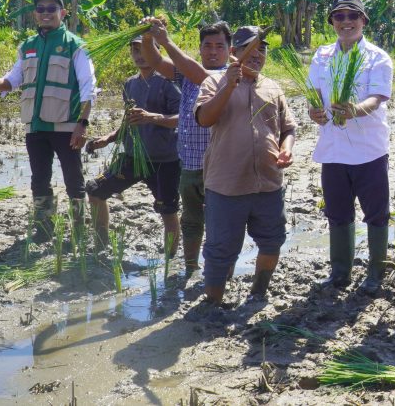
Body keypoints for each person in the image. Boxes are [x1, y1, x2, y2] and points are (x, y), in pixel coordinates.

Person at [195, 26, 296, 304]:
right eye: (249, 49)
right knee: (220, 250)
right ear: (233, 52)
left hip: (268, 183)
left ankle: (258, 293)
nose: (256, 55)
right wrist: (229, 85)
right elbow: (204, 119)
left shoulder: (273, 87)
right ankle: (213, 303)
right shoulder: (214, 82)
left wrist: (286, 149)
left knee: (272, 241)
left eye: (261, 50)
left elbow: (288, 128)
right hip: (226, 185)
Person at [308, 0, 393, 295]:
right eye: (339, 16)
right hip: (333, 151)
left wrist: (356, 109)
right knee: (338, 213)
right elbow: (314, 97)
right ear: (332, 21)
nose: (346, 22)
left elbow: (377, 97)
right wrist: (315, 112)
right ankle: (340, 273)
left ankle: (375, 274)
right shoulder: (321, 56)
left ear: (363, 20)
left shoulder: (377, 57)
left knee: (376, 214)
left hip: (369, 150)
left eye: (352, 16)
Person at [0, 0, 95, 241]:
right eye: (40, 9)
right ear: (35, 14)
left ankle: (79, 231)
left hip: (66, 127)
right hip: (35, 127)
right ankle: (44, 229)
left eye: (51, 8)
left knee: (73, 179)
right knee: (39, 179)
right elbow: (11, 81)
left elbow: (88, 87)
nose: (46, 13)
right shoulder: (27, 46)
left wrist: (82, 124)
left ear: (63, 13)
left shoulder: (75, 45)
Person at [140, 18, 231, 274]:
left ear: (230, 50)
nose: (213, 52)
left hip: (218, 167)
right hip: (190, 163)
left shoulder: (228, 76)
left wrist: (166, 41)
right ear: (199, 48)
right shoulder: (186, 74)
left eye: (219, 46)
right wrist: (147, 37)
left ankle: (220, 273)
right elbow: (156, 61)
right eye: (207, 46)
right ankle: (191, 268)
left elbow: (198, 75)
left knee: (220, 222)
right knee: (191, 220)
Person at [85, 36, 181, 254]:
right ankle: (101, 246)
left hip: (164, 161)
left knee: (168, 210)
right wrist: (108, 138)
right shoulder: (130, 84)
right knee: (95, 191)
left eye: (145, 50)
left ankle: (170, 260)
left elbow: (183, 119)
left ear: (157, 52)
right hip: (133, 158)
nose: (140, 55)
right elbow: (129, 122)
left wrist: (152, 117)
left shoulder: (168, 83)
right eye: (135, 51)